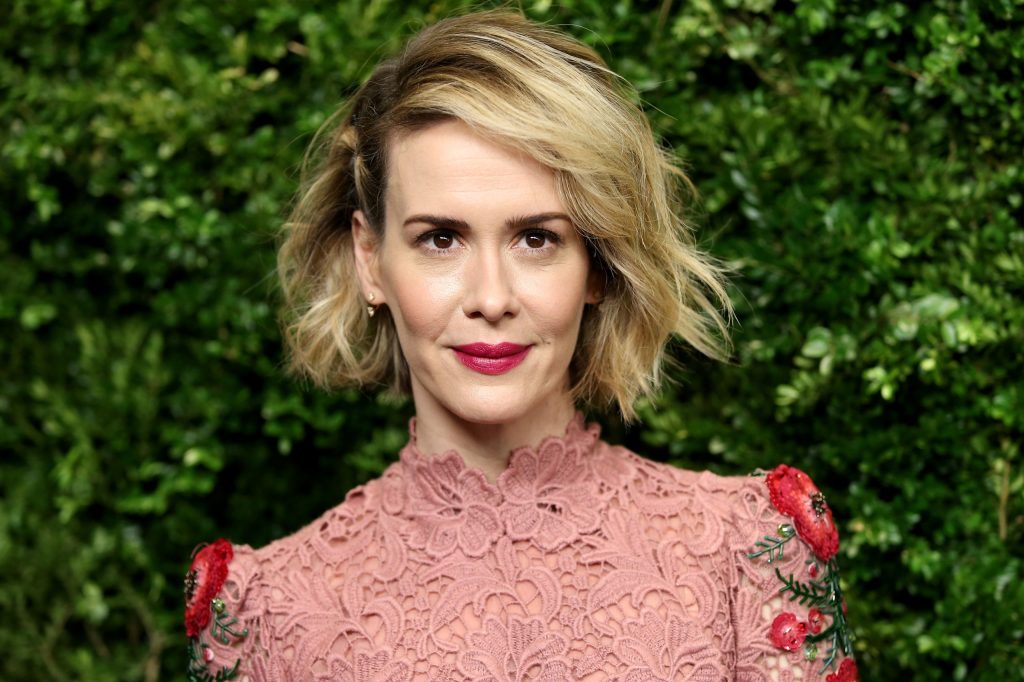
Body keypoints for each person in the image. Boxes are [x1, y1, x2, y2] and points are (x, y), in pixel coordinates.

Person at [184, 10, 857, 682]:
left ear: (597, 264)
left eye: (537, 238)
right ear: (371, 259)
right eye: (440, 239)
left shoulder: (750, 551)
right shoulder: (264, 614)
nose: (491, 296)